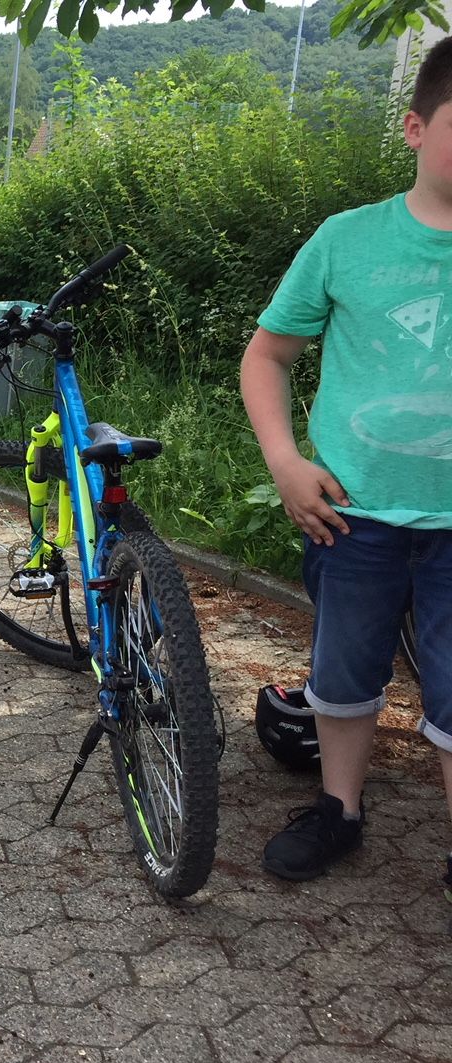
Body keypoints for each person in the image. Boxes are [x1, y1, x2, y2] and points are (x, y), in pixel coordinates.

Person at [243, 40, 452, 884]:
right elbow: (267, 357)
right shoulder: (346, 241)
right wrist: (286, 462)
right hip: (352, 515)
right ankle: (340, 810)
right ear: (414, 126)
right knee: (342, 673)